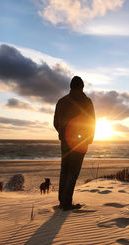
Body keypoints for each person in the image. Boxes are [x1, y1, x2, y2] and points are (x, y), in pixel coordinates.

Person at [54, 76, 95, 211]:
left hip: (65, 141)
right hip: (80, 142)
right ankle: (66, 203)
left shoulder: (61, 101)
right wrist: (88, 139)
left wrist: (63, 134)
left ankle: (62, 201)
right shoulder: (86, 101)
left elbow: (56, 122)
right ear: (82, 87)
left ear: (70, 87)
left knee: (64, 170)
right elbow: (91, 122)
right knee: (73, 172)